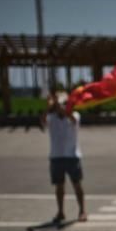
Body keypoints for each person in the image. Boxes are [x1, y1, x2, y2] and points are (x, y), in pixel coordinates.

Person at [40, 93, 87, 223]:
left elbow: (73, 119)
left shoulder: (74, 115)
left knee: (77, 184)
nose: (59, 106)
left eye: (62, 103)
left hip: (72, 156)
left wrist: (61, 107)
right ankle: (60, 212)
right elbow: (42, 121)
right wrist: (48, 107)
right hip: (56, 156)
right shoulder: (51, 117)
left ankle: (82, 210)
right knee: (59, 186)